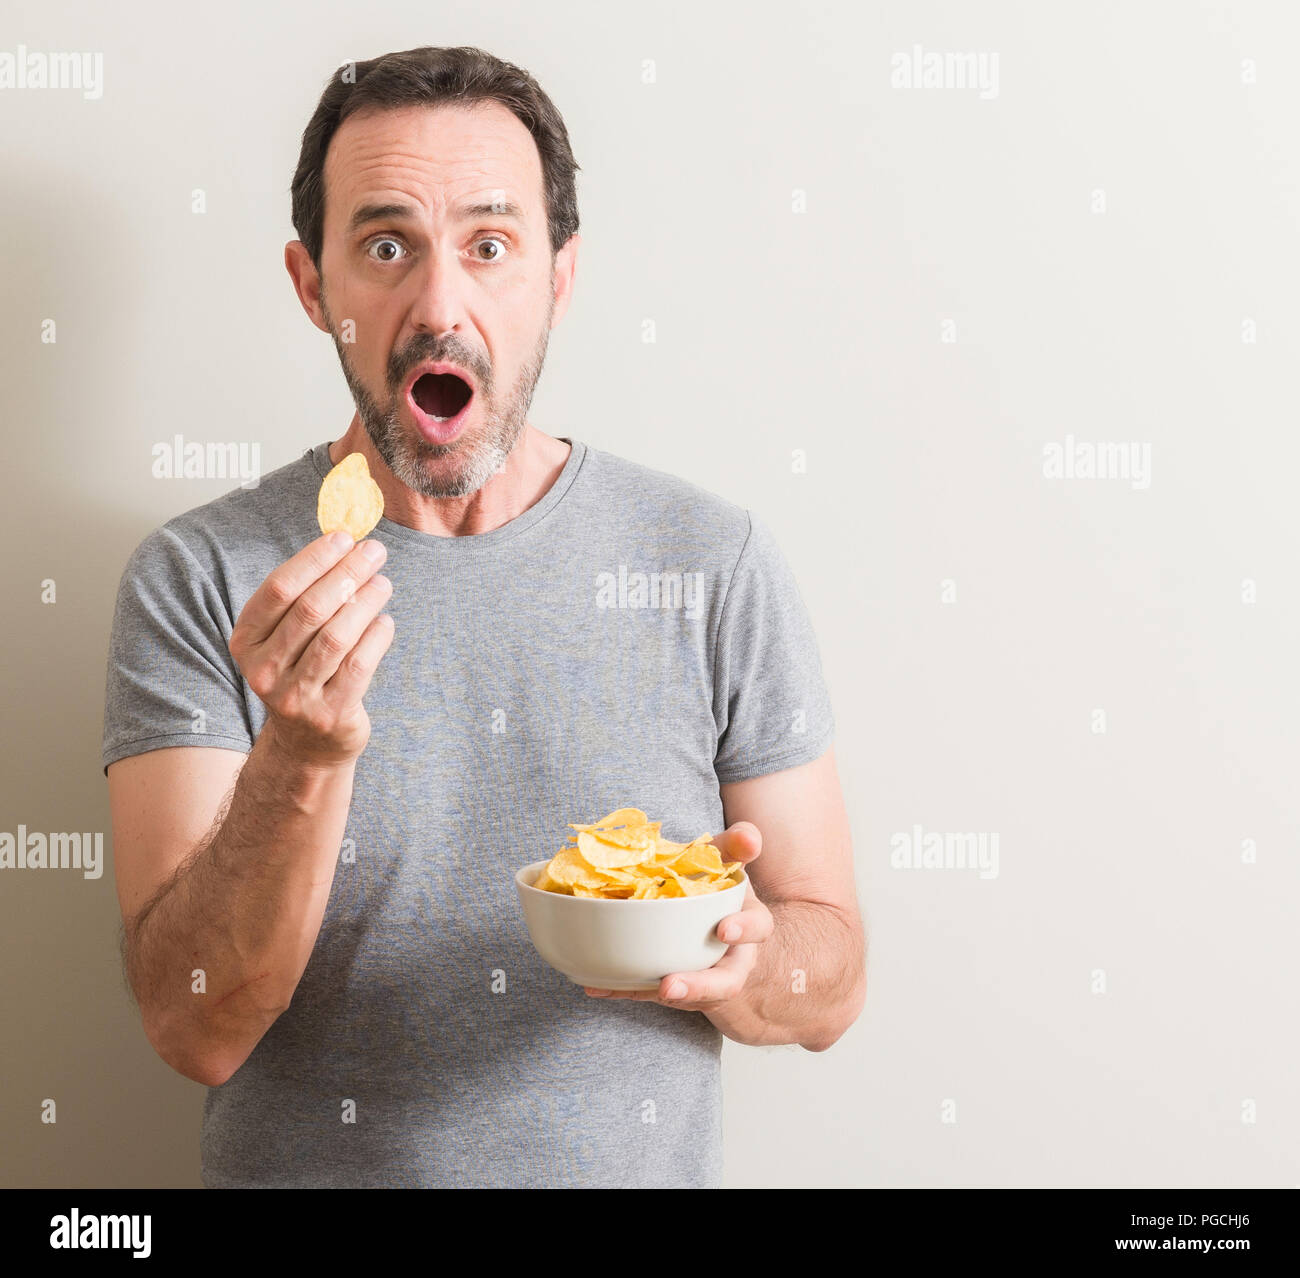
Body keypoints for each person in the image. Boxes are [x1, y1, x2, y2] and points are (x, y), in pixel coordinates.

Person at [103, 45, 864, 1189]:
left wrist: (748, 967)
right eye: (386, 245)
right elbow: (193, 1027)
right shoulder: (204, 577)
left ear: (559, 276)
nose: (439, 306)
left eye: (490, 245)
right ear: (314, 287)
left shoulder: (710, 565)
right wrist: (300, 758)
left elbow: (834, 979)